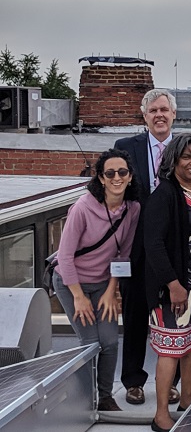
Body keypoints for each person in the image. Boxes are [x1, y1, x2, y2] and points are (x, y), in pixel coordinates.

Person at [53, 149, 141, 412]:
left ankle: (105, 396)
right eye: (110, 173)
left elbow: (123, 254)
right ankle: (86, 398)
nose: (117, 177)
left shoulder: (132, 209)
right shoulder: (82, 207)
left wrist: (112, 290)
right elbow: (65, 257)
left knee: (110, 341)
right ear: (101, 179)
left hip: (103, 283)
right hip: (72, 283)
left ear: (130, 176)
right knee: (90, 343)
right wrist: (79, 297)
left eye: (122, 172)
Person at [144, 133, 191, 432]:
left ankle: (187, 403)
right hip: (172, 290)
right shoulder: (165, 194)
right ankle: (161, 414)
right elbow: (153, 244)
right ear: (173, 160)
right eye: (187, 156)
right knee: (171, 349)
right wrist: (173, 285)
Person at [114, 89, 180, 406]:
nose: (159, 115)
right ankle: (133, 381)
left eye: (164, 110)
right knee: (136, 316)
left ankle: (171, 383)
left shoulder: (187, 148)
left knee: (173, 317)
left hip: (174, 248)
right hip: (136, 249)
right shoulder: (126, 148)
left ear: (173, 115)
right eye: (153, 110)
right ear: (144, 116)